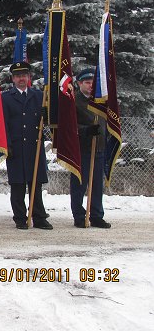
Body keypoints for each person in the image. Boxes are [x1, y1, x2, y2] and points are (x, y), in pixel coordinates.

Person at [2, 61, 53, 230]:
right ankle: (20, 218)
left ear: (29, 77)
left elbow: (47, 124)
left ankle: (38, 217)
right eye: (17, 76)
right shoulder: (6, 98)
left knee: (35, 184)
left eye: (24, 75)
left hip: (34, 146)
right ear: (13, 79)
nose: (21, 79)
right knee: (17, 185)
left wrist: (47, 116)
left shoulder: (39, 96)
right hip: (15, 147)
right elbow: (4, 124)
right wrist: (7, 145)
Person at [70, 68, 111, 228]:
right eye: (87, 82)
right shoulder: (74, 101)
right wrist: (85, 130)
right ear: (79, 83)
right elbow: (70, 126)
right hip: (82, 149)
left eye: (92, 82)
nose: (90, 85)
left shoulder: (100, 101)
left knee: (96, 185)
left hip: (99, 147)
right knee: (79, 184)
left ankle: (96, 215)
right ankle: (79, 216)